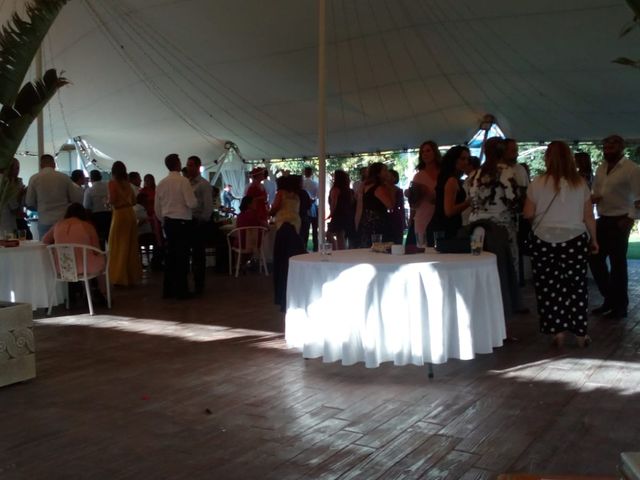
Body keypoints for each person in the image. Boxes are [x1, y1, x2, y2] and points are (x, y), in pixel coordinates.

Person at [523, 141, 598, 348]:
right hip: (574, 240)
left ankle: (558, 332)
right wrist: (594, 239)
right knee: (576, 286)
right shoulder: (581, 183)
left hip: (544, 240)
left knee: (549, 288)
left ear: (547, 157)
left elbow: (528, 213)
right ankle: (581, 333)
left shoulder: (537, 182)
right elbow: (588, 216)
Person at [589, 135, 640, 319]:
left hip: (621, 220)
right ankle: (610, 299)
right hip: (603, 218)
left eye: (612, 146)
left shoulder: (632, 169)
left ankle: (621, 306)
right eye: (605, 146)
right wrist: (593, 198)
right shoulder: (601, 168)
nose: (608, 148)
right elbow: (596, 191)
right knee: (594, 258)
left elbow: (639, 197)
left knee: (618, 264)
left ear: (621, 147)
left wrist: (630, 219)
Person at [42, 203, 108, 301]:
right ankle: (103, 292)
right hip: (85, 268)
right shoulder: (87, 226)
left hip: (62, 268)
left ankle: (79, 293)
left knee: (85, 259)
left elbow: (45, 241)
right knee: (102, 259)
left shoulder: (58, 225)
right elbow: (96, 249)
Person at [156, 153, 198, 300]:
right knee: (182, 258)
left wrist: (163, 220)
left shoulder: (161, 183)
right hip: (182, 223)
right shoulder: (183, 181)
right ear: (177, 164)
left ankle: (168, 290)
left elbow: (157, 208)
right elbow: (192, 203)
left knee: (170, 257)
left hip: (169, 223)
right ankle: (181, 291)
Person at [270, 175, 305, 311]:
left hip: (283, 227)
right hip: (295, 227)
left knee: (282, 262)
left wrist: (269, 213)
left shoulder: (281, 193)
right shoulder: (297, 195)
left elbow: (275, 208)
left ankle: (282, 295)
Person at [25, 154, 78, 239]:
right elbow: (75, 199)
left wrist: (39, 208)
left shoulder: (34, 178)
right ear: (54, 164)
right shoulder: (64, 177)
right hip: (62, 219)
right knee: (63, 247)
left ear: (41, 165)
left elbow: (29, 202)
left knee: (45, 248)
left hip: (44, 220)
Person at [107, 161, 142, 286]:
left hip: (120, 214)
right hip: (130, 214)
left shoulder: (112, 183)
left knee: (118, 245)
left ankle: (119, 276)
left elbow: (112, 200)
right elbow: (134, 201)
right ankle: (131, 275)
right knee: (131, 245)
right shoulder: (128, 184)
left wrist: (107, 202)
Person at [428, 146, 471, 242]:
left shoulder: (447, 178)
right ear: (454, 160)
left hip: (442, 227)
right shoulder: (451, 180)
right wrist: (469, 202)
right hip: (444, 229)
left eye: (467, 159)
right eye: (462, 159)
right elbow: (449, 211)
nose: (466, 162)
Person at [186, 155, 214, 295]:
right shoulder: (186, 183)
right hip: (187, 221)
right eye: (188, 165)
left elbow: (208, 206)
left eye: (191, 165)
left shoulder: (203, 184)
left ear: (198, 166)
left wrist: (201, 220)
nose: (188, 168)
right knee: (189, 254)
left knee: (198, 255)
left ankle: (199, 286)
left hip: (198, 222)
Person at [407, 141, 440, 246]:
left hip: (440, 216)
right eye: (422, 152)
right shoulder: (418, 176)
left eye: (428, 150)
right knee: (422, 248)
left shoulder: (444, 173)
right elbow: (414, 204)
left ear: (435, 152)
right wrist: (411, 195)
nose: (425, 154)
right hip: (423, 216)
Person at [356, 162, 395, 247]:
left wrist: (357, 224)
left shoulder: (365, 186)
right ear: (378, 173)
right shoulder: (379, 188)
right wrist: (391, 186)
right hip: (377, 223)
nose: (387, 172)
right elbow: (390, 205)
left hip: (366, 222)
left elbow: (359, 207)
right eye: (385, 170)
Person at [83, 170, 112, 249]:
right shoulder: (108, 187)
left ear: (91, 179)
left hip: (97, 217)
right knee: (111, 239)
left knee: (99, 240)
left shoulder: (89, 190)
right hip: (110, 215)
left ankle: (102, 257)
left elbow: (86, 206)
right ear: (101, 177)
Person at [327, 170, 355, 250]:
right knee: (341, 236)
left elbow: (333, 203)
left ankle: (338, 252)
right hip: (347, 215)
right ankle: (341, 252)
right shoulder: (349, 191)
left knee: (331, 235)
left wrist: (331, 214)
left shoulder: (335, 189)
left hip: (338, 215)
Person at [0, 158, 26, 235]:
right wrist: (20, 195)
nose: (18, 170)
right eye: (16, 168)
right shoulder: (6, 182)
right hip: (7, 226)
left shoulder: (16, 181)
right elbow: (14, 207)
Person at [302, 166, 319, 251]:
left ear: (305, 173)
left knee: (305, 229)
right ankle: (316, 246)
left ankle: (304, 246)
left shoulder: (303, 184)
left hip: (305, 208)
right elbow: (317, 196)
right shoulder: (315, 183)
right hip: (314, 206)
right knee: (315, 229)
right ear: (311, 173)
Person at [388, 169, 406, 245]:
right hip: (386, 217)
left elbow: (402, 207)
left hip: (396, 216)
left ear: (395, 178)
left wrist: (403, 220)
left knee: (397, 240)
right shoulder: (382, 189)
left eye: (392, 176)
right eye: (389, 176)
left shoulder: (399, 190)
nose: (390, 178)